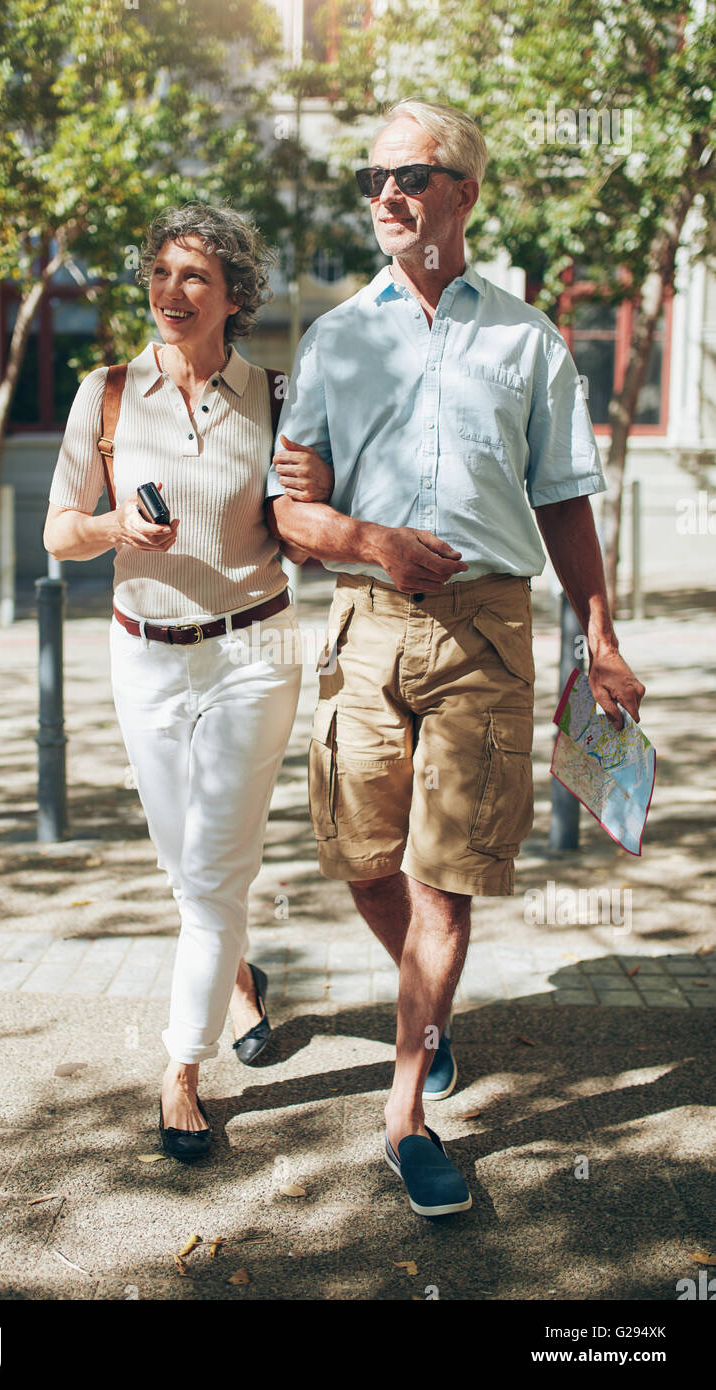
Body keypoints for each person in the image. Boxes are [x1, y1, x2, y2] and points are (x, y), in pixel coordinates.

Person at [266, 100, 646, 1216]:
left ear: (464, 194)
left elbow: (564, 497)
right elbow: (290, 509)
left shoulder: (527, 340)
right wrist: (364, 540)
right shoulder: (336, 337)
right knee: (359, 856)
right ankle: (418, 1003)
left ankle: (406, 1111)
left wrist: (602, 637)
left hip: (489, 632)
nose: (386, 193)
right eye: (372, 176)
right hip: (366, 625)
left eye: (412, 175)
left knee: (447, 878)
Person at [43, 203, 330, 1162]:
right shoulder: (108, 395)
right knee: (187, 867)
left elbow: (305, 523)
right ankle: (239, 975)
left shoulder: (277, 395)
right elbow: (57, 530)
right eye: (161, 273)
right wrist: (115, 527)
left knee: (211, 875)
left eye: (195, 277)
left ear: (235, 296)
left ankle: (181, 1070)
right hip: (145, 651)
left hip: (257, 651)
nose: (173, 292)